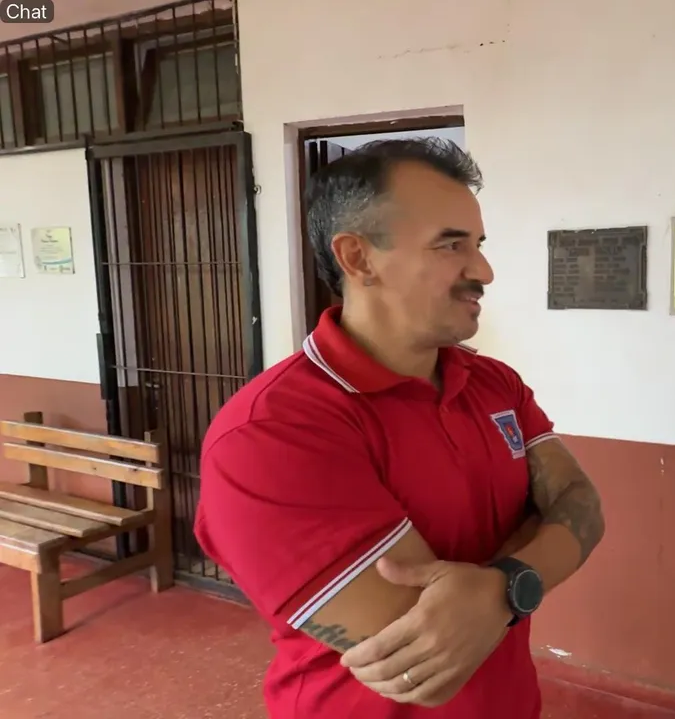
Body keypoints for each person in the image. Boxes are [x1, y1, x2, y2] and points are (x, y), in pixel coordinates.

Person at [194, 137, 606, 718]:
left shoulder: (495, 384)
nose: (483, 271)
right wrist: (536, 554)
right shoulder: (270, 433)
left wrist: (503, 585)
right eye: (451, 245)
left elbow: (582, 502)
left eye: (479, 245)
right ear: (358, 258)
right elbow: (419, 666)